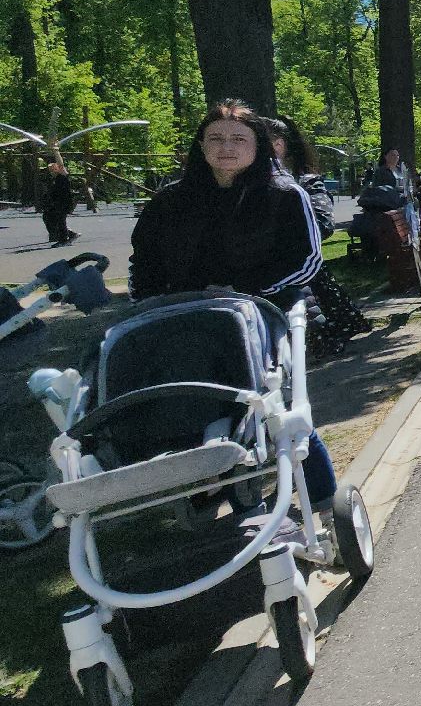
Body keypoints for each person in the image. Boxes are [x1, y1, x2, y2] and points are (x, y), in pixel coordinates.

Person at [129, 99, 337, 506]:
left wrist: (247, 290)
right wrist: (153, 301)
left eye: (239, 139)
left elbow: (307, 261)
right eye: (216, 138)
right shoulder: (171, 200)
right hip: (185, 315)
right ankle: (204, 483)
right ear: (201, 146)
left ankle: (321, 496)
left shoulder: (283, 195)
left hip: (262, 310)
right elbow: (145, 259)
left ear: (257, 145)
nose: (227, 147)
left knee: (270, 402)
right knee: (184, 391)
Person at [264, 117, 371, 356]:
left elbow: (324, 225)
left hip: (302, 278)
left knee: (312, 346)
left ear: (279, 145)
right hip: (257, 290)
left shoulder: (304, 183)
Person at [39, 160, 78, 244]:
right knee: (50, 217)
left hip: (63, 203)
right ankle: (67, 234)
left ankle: (64, 238)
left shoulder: (63, 177)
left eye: (53, 169)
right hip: (56, 203)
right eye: (50, 170)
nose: (52, 171)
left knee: (60, 220)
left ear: (58, 169)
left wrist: (55, 149)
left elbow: (62, 193)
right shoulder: (55, 179)